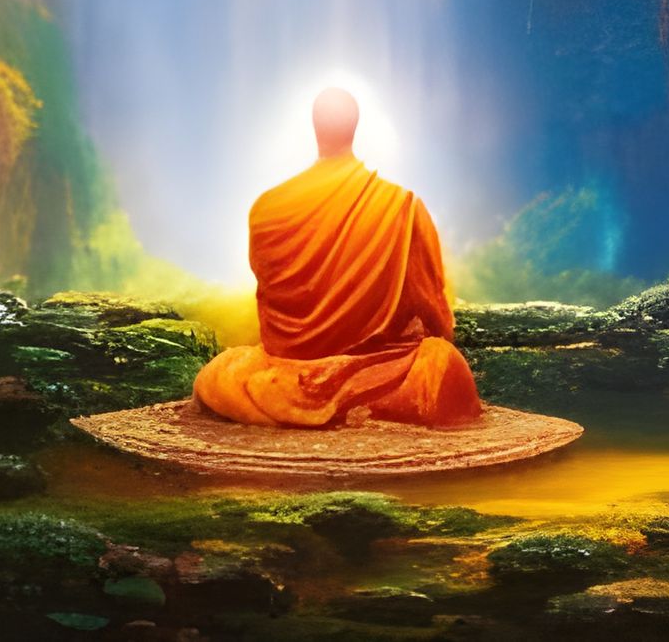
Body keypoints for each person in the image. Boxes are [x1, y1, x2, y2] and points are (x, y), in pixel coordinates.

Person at [192, 85, 484, 428]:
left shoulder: (267, 209)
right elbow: (437, 318)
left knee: (223, 377)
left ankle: (292, 405)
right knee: (441, 367)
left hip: (283, 376)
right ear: (355, 127)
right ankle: (367, 406)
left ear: (314, 128)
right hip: (379, 373)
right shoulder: (402, 207)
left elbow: (268, 306)